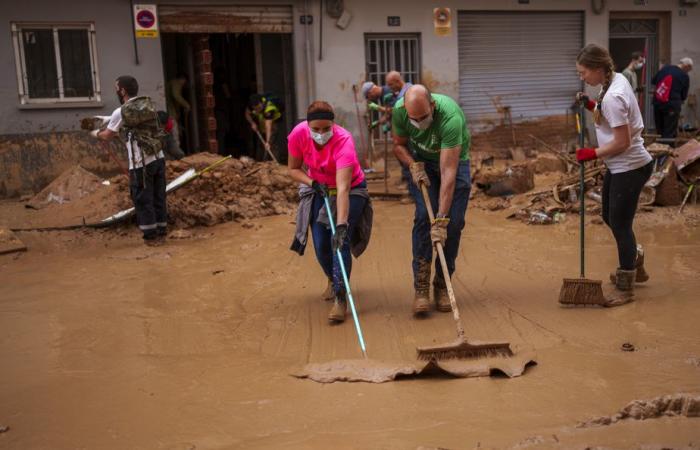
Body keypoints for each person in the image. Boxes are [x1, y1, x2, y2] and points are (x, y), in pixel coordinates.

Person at [575, 44, 653, 306]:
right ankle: (634, 257)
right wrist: (590, 105)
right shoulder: (613, 80)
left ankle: (626, 285)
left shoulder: (614, 95)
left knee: (620, 225)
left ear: (598, 69)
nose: (582, 77)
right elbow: (608, 113)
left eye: (584, 72)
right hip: (619, 165)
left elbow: (623, 142)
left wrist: (592, 153)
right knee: (609, 216)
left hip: (630, 166)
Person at [289, 101, 373, 323]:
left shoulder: (344, 140)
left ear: (333, 124)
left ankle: (340, 297)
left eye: (326, 128)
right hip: (320, 187)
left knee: (339, 240)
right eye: (315, 129)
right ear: (307, 126)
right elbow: (293, 169)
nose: (321, 133)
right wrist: (312, 182)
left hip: (351, 188)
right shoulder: (298, 135)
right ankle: (332, 277)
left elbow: (344, 188)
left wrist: (342, 224)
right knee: (321, 244)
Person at [391, 85, 472, 316]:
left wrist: (442, 221)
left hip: (453, 161)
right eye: (413, 118)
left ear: (433, 106)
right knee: (424, 218)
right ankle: (422, 288)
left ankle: (442, 285)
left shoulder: (450, 118)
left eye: (424, 117)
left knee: (453, 224)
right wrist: (412, 165)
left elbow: (448, 173)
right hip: (421, 162)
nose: (418, 122)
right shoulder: (399, 110)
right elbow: (398, 144)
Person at [90, 75, 168, 246]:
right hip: (158, 158)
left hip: (141, 164)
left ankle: (151, 238)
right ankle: (162, 232)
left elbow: (108, 135)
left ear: (123, 91)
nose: (116, 91)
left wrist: (95, 133)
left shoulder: (121, 111)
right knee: (158, 196)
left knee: (142, 199)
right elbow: (130, 122)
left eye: (117, 88)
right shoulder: (146, 105)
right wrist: (108, 119)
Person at [651, 57, 693, 139]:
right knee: (669, 130)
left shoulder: (664, 69)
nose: (688, 72)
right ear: (687, 66)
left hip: (658, 103)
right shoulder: (684, 75)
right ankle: (668, 149)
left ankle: (660, 148)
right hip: (672, 105)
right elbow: (684, 95)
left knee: (660, 129)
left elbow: (653, 81)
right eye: (689, 69)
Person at [245, 94, 282, 161]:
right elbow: (247, 114)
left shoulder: (269, 108)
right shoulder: (251, 106)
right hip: (261, 121)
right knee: (261, 145)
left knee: (271, 144)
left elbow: (268, 126)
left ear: (261, 103)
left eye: (258, 108)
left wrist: (268, 141)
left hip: (272, 123)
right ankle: (262, 162)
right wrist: (252, 123)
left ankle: (275, 164)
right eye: (255, 109)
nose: (257, 110)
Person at [166, 73, 190, 155]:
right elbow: (176, 96)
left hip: (170, 113)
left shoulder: (171, 83)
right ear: (183, 79)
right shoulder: (176, 83)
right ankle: (178, 156)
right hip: (170, 114)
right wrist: (186, 105)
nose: (183, 85)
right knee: (175, 136)